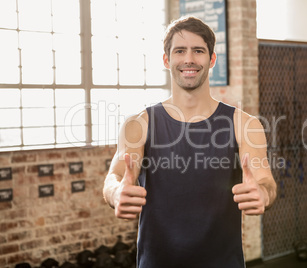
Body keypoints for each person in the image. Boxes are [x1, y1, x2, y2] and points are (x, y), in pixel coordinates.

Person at [103, 16, 277, 268]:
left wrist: (263, 193)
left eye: (198, 51)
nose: (189, 59)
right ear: (166, 60)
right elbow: (113, 177)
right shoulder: (138, 124)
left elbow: (266, 182)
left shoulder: (244, 124)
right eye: (180, 51)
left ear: (212, 59)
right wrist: (116, 192)